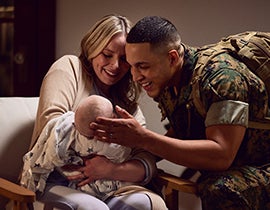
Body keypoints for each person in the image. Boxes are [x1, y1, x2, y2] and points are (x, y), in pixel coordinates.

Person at [90, 16, 270, 209]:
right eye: (132, 65)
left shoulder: (221, 77)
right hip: (241, 164)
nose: (135, 76)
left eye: (143, 66)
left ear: (173, 58)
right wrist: (128, 156)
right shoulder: (170, 81)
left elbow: (221, 155)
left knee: (221, 189)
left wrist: (143, 139)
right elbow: (185, 130)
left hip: (261, 165)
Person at [20, 14, 167, 210]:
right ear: (92, 48)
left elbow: (144, 158)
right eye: (107, 54)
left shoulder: (127, 104)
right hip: (56, 181)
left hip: (109, 184)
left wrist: (111, 169)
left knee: (146, 203)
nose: (115, 66)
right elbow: (50, 125)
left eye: (123, 59)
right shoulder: (70, 68)